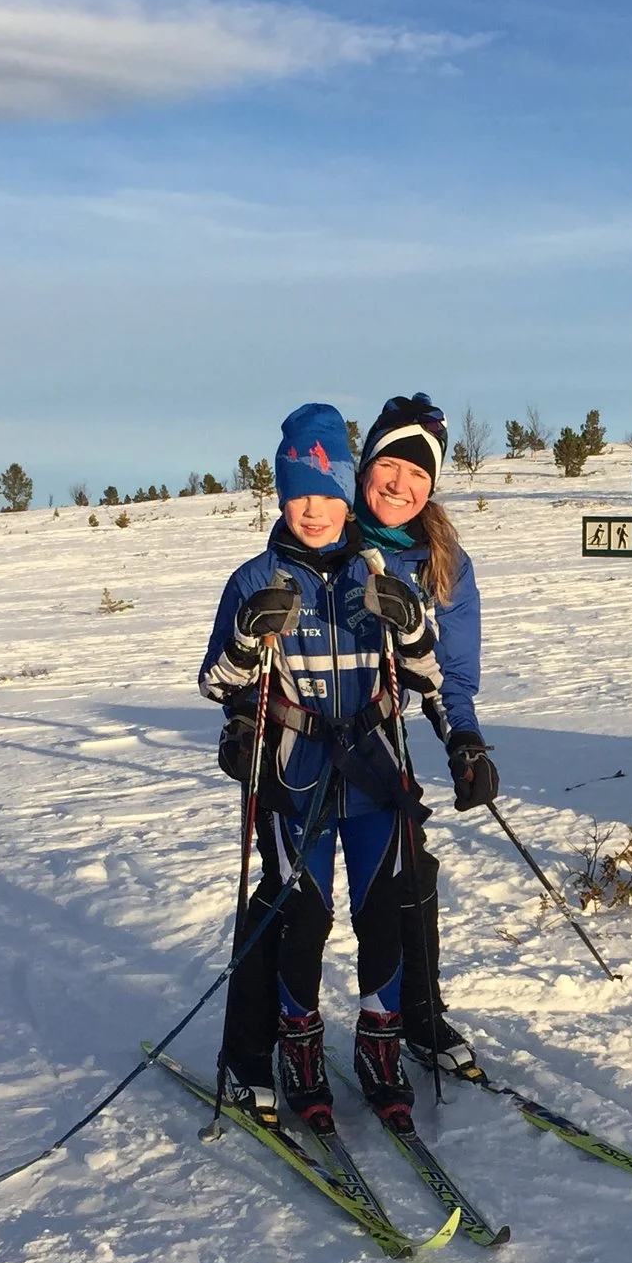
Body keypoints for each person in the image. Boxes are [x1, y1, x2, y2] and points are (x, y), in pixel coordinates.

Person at [200, 401, 440, 1139]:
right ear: (280, 495)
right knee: (303, 916)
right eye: (299, 494)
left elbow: (428, 676)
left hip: (374, 773)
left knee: (382, 911)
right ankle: (298, 1049)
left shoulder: (380, 571)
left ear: (347, 493)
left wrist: (411, 625)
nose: (313, 510)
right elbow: (216, 682)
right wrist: (247, 641)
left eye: (328, 494)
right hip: (294, 775)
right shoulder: (255, 578)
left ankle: (379, 1045)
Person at [349, 393, 500, 1080]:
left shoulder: (445, 562)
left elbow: (451, 676)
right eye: (390, 465)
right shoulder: (325, 531)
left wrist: (464, 741)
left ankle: (416, 1015)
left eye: (418, 473)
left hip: (382, 742)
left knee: (409, 874)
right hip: (307, 742)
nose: (400, 484)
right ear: (366, 466)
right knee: (298, 895)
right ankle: (271, 1036)